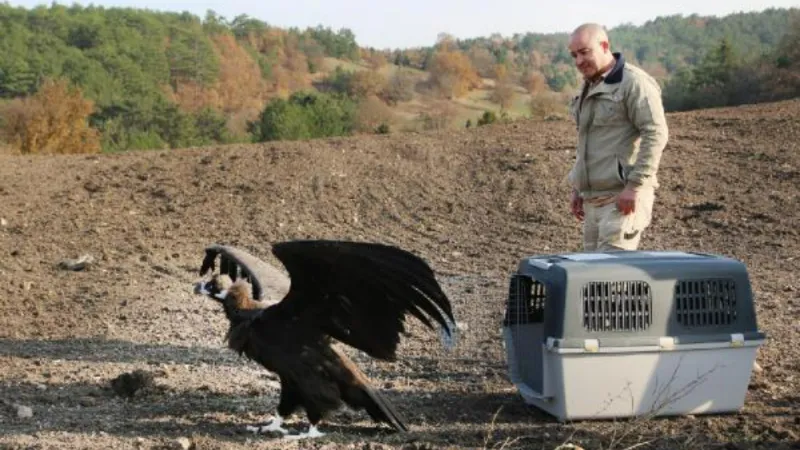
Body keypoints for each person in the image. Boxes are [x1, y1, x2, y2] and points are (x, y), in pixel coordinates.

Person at [566, 23, 669, 252]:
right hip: (593, 202)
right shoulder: (587, 89)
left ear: (604, 46)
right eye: (574, 55)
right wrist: (578, 188)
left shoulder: (634, 83)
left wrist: (634, 187)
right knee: (591, 281)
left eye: (584, 52)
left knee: (610, 279)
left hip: (621, 201)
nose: (579, 61)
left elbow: (656, 133)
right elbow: (587, 142)